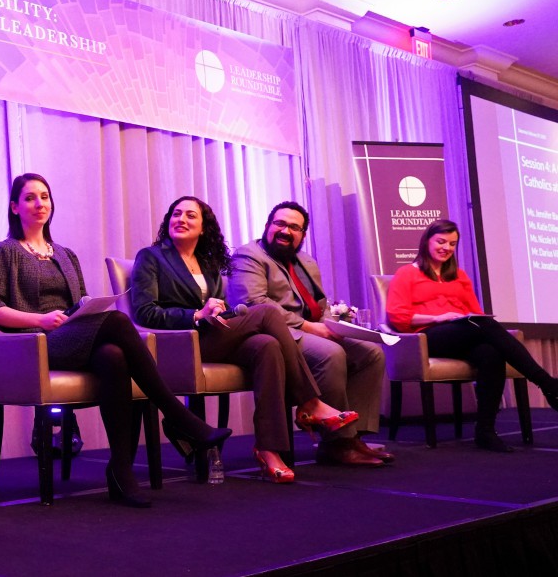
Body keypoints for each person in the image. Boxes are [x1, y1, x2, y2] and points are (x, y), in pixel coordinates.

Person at [0, 174, 231, 507]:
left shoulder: (66, 255)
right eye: (29, 198)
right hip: (34, 344)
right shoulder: (5, 251)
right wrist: (38, 319)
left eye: (44, 196)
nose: (39, 204)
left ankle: (121, 472)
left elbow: (81, 303)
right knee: (116, 320)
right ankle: (179, 417)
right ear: (15, 207)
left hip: (70, 337)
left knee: (113, 354)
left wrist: (83, 310)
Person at [131, 196, 359, 483]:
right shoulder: (151, 257)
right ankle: (310, 404)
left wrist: (219, 311)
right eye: (176, 214)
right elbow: (144, 312)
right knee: (266, 312)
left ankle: (268, 449)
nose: (181, 219)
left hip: (214, 336)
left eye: (190, 215)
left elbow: (217, 305)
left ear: (203, 227)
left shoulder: (208, 262)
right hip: (181, 342)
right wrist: (195, 315)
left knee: (268, 345)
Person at [229, 201, 392, 467]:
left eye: (294, 227)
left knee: (371, 353)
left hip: (309, 329)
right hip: (272, 333)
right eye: (279, 224)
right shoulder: (249, 256)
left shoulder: (306, 261)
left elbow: (319, 305)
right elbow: (253, 303)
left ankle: (354, 437)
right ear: (268, 226)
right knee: (331, 353)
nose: (285, 231)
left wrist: (337, 326)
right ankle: (335, 443)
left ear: (303, 235)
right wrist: (310, 327)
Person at [387, 219, 558, 452]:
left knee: (490, 352)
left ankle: (485, 431)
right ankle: (547, 383)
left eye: (452, 243)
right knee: (484, 326)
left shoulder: (459, 275)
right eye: (441, 241)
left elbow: (475, 313)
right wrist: (438, 318)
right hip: (426, 338)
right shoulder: (407, 273)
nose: (446, 247)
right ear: (427, 241)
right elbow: (397, 316)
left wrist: (463, 319)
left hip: (461, 333)